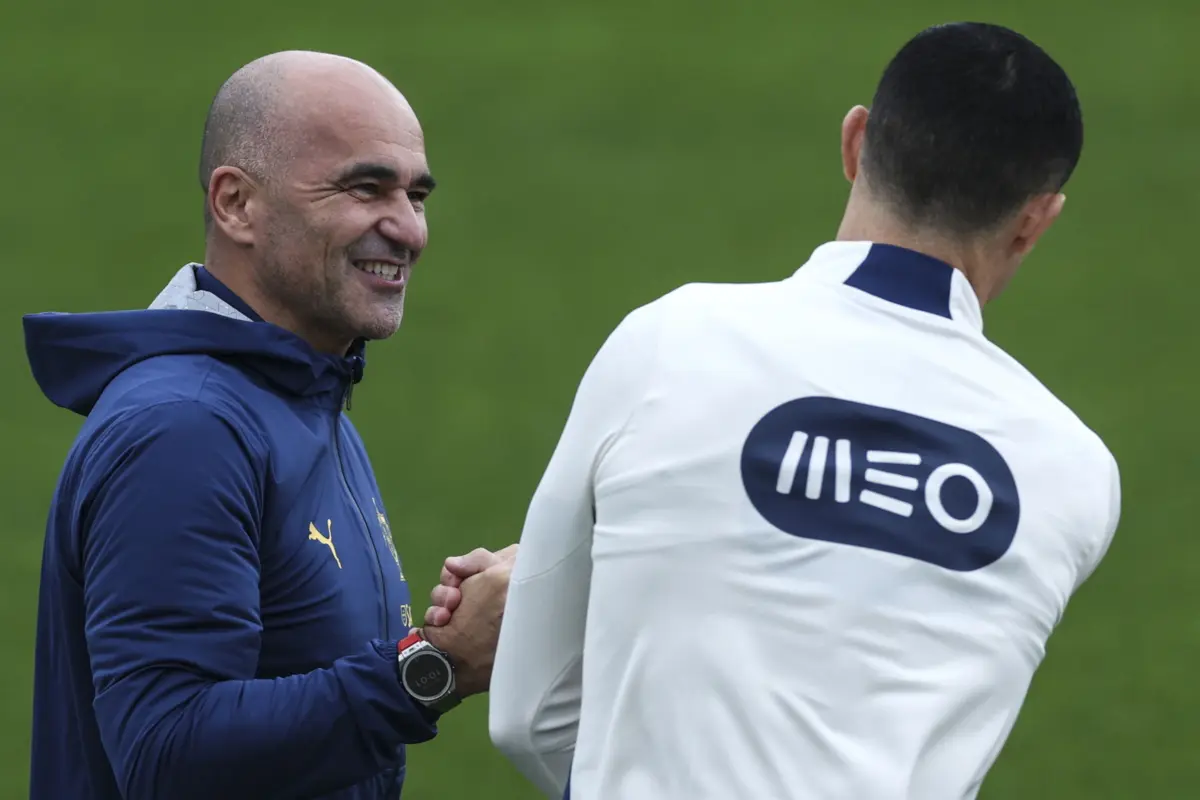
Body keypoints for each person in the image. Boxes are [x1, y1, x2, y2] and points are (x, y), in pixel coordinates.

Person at [472, 22, 1120, 800]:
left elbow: (527, 714)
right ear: (1036, 219)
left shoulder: (668, 342)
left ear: (855, 142)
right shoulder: (1075, 471)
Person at [23, 50, 515, 800]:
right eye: (364, 187)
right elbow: (167, 750)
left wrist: (457, 627)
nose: (408, 229)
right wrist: (437, 663)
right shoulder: (185, 429)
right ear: (236, 204)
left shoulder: (303, 400)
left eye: (416, 196)